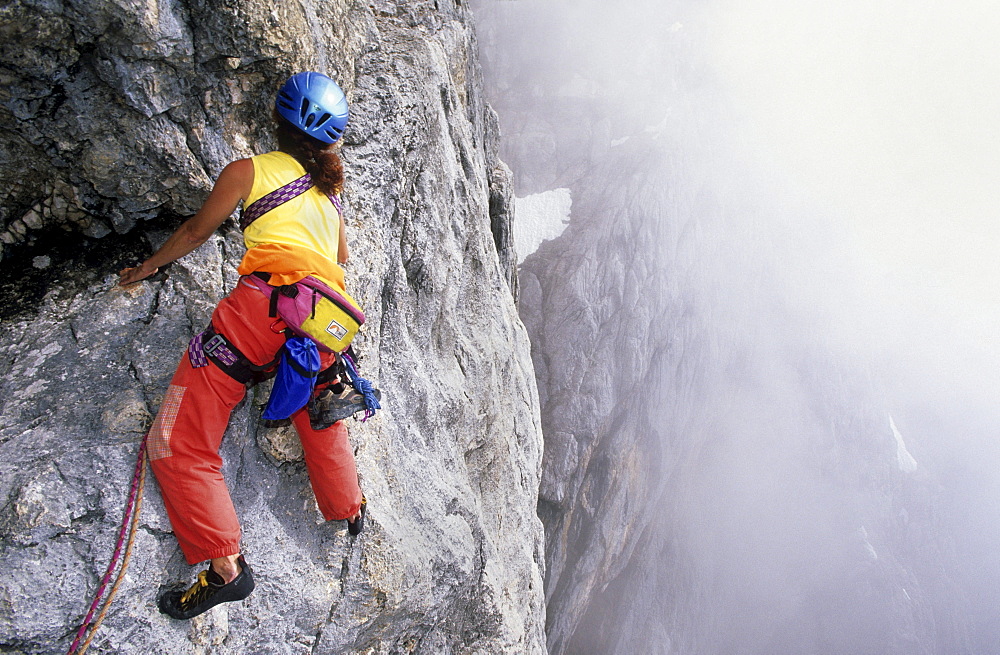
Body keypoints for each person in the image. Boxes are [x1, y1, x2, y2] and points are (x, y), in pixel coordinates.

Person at [119, 72, 366, 620]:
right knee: (316, 399)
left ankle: (225, 567)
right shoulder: (331, 197)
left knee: (178, 440)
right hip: (324, 322)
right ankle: (349, 506)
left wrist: (146, 268)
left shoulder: (250, 172)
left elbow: (195, 233)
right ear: (330, 142)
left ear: (277, 121)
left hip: (260, 313)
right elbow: (341, 261)